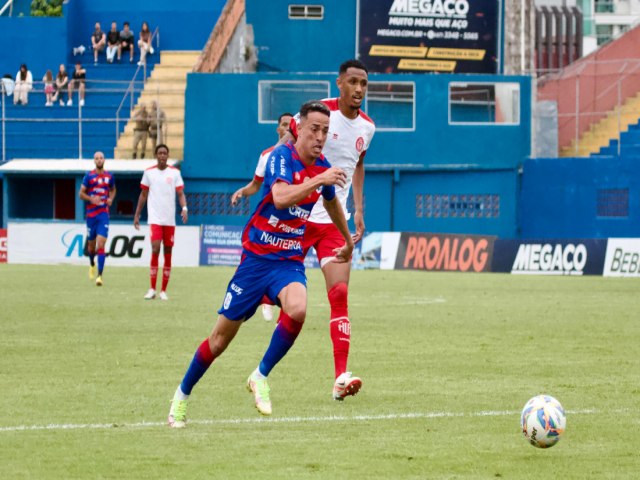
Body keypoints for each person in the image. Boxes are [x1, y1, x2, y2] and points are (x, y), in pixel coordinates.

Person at [166, 101, 353, 428]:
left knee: (298, 309)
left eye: (325, 131)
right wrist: (319, 178)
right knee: (219, 341)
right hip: (255, 262)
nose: (320, 137)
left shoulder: (321, 166)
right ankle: (181, 397)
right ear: (299, 129)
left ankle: (260, 375)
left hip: (288, 261)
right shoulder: (281, 157)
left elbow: (331, 200)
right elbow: (280, 197)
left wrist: (348, 240)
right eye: (314, 129)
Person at [282, 59, 376, 401]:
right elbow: (286, 144)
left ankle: (340, 378)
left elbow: (359, 164)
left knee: (339, 296)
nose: (359, 89)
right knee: (274, 292)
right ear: (339, 83)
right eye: (353, 82)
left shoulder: (367, 128)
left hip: (335, 222)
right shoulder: (320, 116)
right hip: (299, 217)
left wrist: (360, 212)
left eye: (364, 83)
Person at [231, 111, 293, 321]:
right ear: (278, 129)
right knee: (252, 256)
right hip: (267, 217)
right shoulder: (267, 155)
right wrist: (241, 191)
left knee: (289, 264)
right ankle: (257, 300)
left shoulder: (299, 156)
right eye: (284, 124)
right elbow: (256, 185)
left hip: (290, 220)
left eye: (290, 125)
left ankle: (281, 313)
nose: (287, 128)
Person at [134, 144, 187, 301]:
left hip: (169, 220)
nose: (162, 155)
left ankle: (163, 290)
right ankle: (152, 289)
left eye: (165, 153)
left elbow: (180, 193)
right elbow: (143, 195)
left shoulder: (175, 173)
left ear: (168, 155)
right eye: (160, 153)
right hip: (155, 219)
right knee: (155, 248)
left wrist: (184, 208)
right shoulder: (149, 173)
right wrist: (137, 215)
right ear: (156, 155)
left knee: (168, 252)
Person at [78, 151, 116, 287]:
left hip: (103, 215)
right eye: (97, 158)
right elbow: (81, 194)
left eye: (101, 158)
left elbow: (113, 189)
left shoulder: (109, 176)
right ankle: (92, 264)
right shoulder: (89, 176)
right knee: (91, 246)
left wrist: (111, 198)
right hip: (91, 215)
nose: (99, 160)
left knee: (101, 245)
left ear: (104, 160)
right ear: (94, 161)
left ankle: (100, 276)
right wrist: (91, 199)